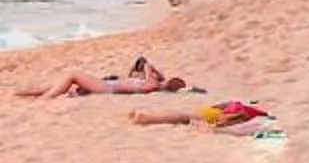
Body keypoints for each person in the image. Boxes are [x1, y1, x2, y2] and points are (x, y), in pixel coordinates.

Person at [19, 57, 186, 98]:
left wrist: (159, 76)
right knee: (60, 84)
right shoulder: (147, 83)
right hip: (106, 84)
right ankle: (24, 93)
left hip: (106, 87)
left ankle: (46, 99)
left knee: (72, 74)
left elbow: (146, 64)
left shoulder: (151, 85)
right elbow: (141, 63)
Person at [131, 99, 270, 133]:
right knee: (181, 117)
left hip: (212, 111)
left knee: (181, 116)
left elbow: (227, 106)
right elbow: (239, 115)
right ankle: (147, 119)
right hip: (215, 114)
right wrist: (218, 125)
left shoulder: (243, 106)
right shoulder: (250, 112)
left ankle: (148, 117)